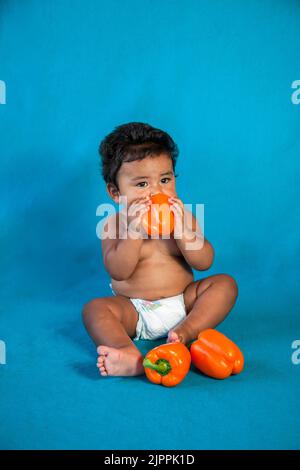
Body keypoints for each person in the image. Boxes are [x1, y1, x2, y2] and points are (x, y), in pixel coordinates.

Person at [82, 122, 238, 377]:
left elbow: (204, 262)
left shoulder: (183, 217)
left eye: (165, 179)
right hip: (134, 310)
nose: (156, 192)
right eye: (142, 184)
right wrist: (134, 232)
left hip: (183, 303)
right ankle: (126, 352)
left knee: (225, 284)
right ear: (116, 193)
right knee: (94, 309)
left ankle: (186, 332)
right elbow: (118, 271)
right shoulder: (113, 224)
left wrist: (183, 232)